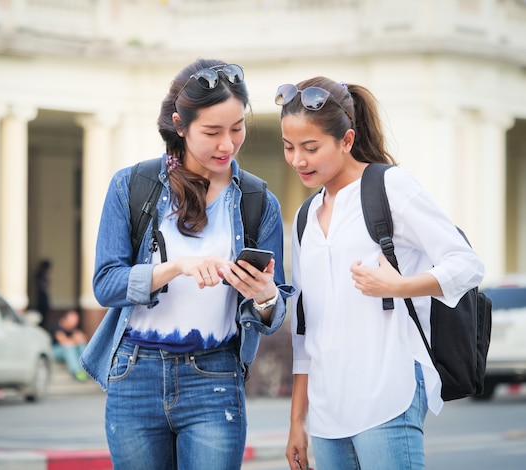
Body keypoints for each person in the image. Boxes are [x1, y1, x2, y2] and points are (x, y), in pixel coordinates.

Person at [80, 58, 294, 470]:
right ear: (180, 124)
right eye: (212, 132)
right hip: (134, 373)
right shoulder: (131, 186)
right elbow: (106, 285)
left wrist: (265, 297)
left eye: (237, 129)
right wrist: (175, 267)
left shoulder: (257, 202)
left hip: (213, 377)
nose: (227, 145)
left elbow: (272, 311)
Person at [275, 77, 485, 470]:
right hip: (326, 411)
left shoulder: (389, 187)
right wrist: (296, 422)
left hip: (388, 393)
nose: (298, 160)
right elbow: (306, 331)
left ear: (347, 140)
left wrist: (401, 285)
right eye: (289, 147)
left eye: (311, 147)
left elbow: (467, 264)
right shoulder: (304, 218)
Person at [52, 310, 87, 382]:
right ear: (65, 319)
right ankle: (77, 371)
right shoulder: (57, 326)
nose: (74, 324)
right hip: (55, 351)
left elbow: (83, 339)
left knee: (82, 346)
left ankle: (87, 369)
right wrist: (75, 339)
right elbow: (64, 342)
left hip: (72, 348)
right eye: (72, 321)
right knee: (69, 347)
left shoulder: (75, 328)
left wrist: (77, 340)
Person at [35, 259, 52, 330]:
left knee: (45, 316)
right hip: (41, 296)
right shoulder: (40, 275)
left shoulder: (44, 275)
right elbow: (43, 285)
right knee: (41, 316)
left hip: (44, 295)